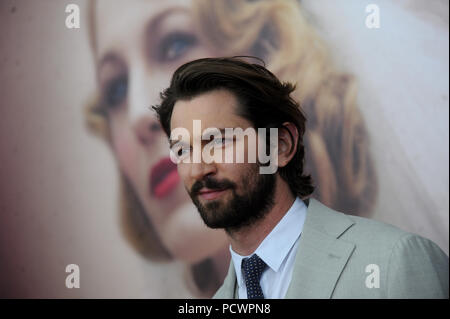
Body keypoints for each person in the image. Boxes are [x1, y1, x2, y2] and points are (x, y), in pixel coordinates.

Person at [84, 0, 377, 297]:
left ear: (267, 53)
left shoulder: (386, 271)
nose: (138, 114)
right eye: (116, 88)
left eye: (174, 44)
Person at [153, 56, 449, 299]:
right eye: (182, 149)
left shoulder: (394, 261)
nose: (197, 169)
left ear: (281, 145)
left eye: (218, 141)